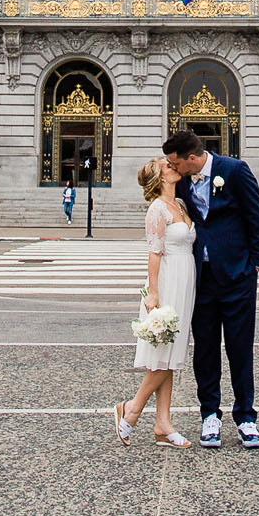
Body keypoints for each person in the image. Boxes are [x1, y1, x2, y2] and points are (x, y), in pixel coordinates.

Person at [163, 126, 259, 450]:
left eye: (175, 163)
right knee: (205, 350)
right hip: (201, 279)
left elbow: (257, 215)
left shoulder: (234, 171)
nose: (172, 168)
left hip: (237, 276)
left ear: (191, 158)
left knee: (240, 348)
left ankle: (246, 417)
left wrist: (253, 264)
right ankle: (210, 414)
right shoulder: (181, 181)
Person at [114, 157, 197, 448]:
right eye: (167, 166)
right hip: (166, 281)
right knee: (163, 355)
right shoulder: (157, 209)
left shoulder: (182, 205)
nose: (174, 166)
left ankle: (163, 423)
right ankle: (132, 408)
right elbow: (154, 253)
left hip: (185, 280)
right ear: (159, 177)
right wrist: (153, 293)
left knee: (170, 356)